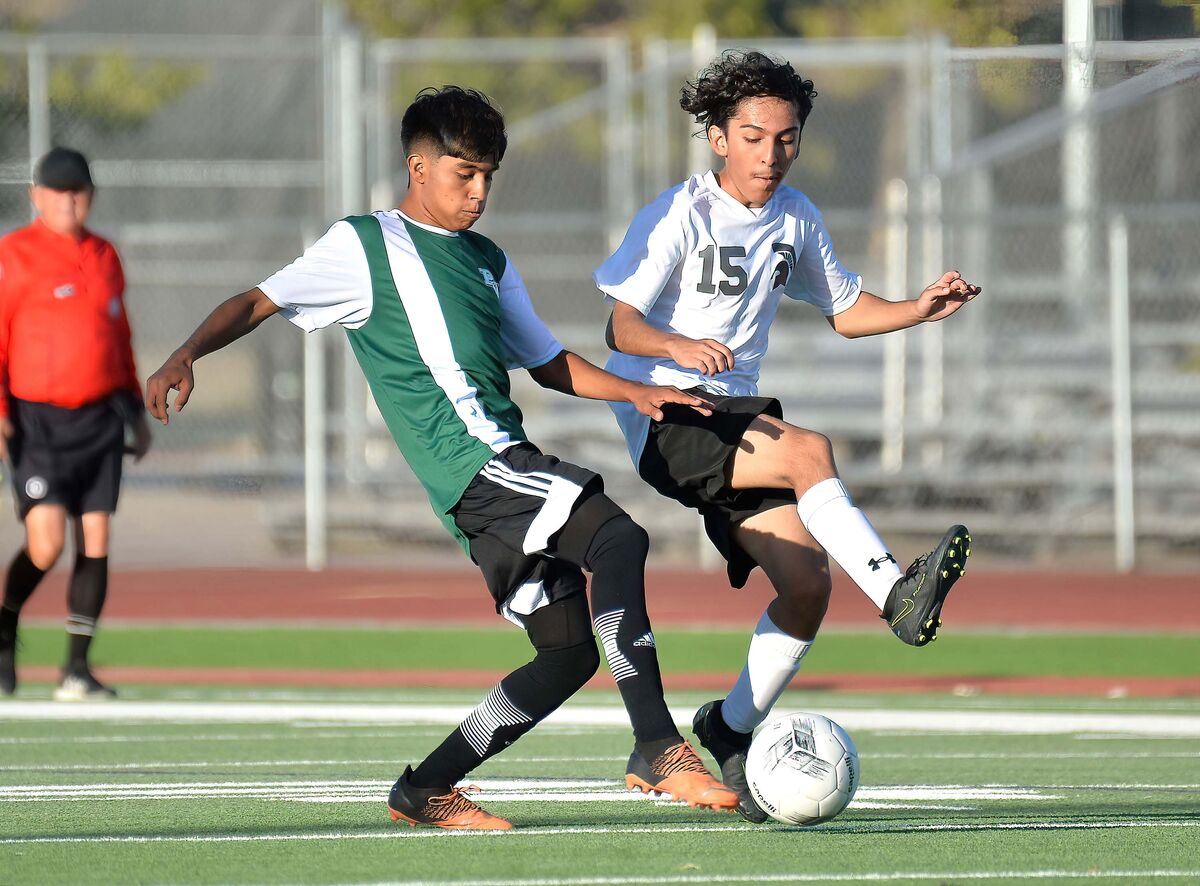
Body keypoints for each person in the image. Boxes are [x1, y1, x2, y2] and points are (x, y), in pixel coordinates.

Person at [145, 86, 738, 830]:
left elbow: (547, 360)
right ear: (417, 168)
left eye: (489, 174)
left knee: (565, 655)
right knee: (618, 536)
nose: (480, 191)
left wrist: (635, 393)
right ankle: (657, 744)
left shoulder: (488, 260)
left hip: (486, 483)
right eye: (465, 173)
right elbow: (256, 301)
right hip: (479, 463)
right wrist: (186, 352)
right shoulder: (364, 245)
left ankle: (425, 788)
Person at [594, 51, 979, 821]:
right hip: (667, 413)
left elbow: (844, 309)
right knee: (809, 449)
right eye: (753, 135)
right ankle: (898, 597)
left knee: (807, 588)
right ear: (716, 137)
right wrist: (676, 350)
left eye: (786, 138)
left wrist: (917, 307)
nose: (770, 154)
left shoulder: (795, 215)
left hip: (734, 418)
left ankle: (728, 725)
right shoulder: (678, 213)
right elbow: (620, 323)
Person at [0, 146, 151, 701]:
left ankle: (76, 669)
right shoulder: (13, 255)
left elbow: (120, 336)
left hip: (101, 415)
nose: (70, 199)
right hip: (37, 419)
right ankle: (5, 621)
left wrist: (135, 408)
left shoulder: (105, 254)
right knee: (45, 544)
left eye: (79, 189)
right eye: (59, 190)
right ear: (36, 196)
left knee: (96, 535)